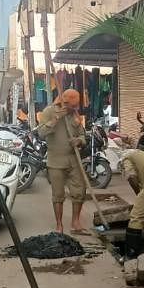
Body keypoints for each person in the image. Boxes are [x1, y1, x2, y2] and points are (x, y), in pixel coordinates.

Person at [36, 88, 86, 234]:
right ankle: (59, 225)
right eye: (73, 106)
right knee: (58, 194)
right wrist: (56, 119)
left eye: (76, 106)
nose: (75, 108)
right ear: (65, 102)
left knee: (79, 191)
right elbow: (41, 133)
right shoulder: (49, 112)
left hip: (74, 160)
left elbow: (83, 135)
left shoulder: (75, 115)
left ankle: (75, 222)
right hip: (55, 161)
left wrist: (79, 141)